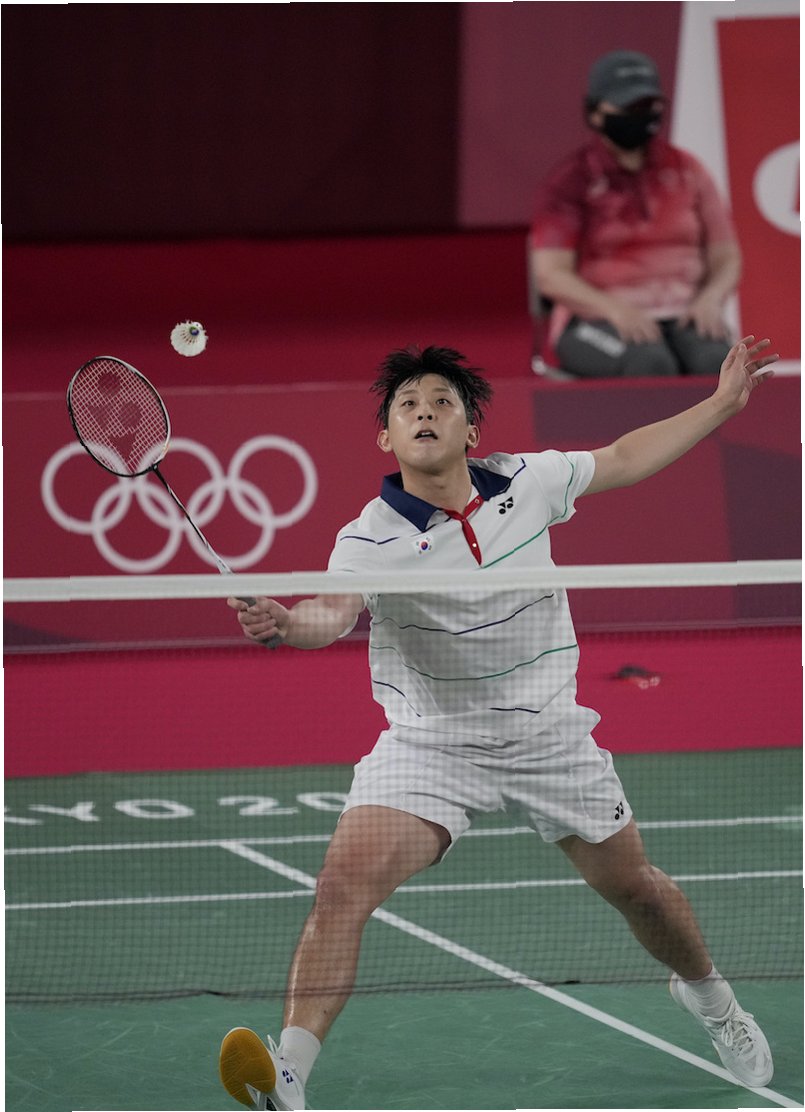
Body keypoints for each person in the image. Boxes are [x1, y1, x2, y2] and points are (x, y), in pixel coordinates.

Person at [219, 337, 777, 1111]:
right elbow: (331, 613)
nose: (424, 412)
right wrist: (288, 622)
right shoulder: (369, 538)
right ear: (385, 437)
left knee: (636, 890)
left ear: (471, 430)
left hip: (547, 736)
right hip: (432, 744)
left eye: (441, 402)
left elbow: (623, 456)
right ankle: (288, 1075)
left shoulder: (528, 481)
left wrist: (718, 403)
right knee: (342, 885)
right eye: (406, 405)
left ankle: (711, 1001)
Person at [528, 49, 742, 378]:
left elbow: (726, 257)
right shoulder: (570, 181)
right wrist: (614, 310)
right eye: (628, 107)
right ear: (595, 112)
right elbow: (551, 275)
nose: (639, 115)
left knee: (719, 363)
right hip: (594, 319)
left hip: (683, 314)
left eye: (647, 105)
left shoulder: (688, 170)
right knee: (651, 364)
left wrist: (711, 299)